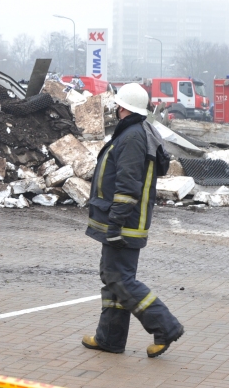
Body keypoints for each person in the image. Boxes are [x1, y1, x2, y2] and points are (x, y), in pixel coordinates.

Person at [81, 83, 184, 358]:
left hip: (124, 223)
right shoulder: (140, 132)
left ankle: (166, 326)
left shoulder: (132, 137)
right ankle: (110, 338)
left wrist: (115, 224)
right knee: (114, 278)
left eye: (118, 104)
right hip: (125, 221)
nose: (115, 108)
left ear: (124, 107)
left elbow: (127, 186)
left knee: (119, 278)